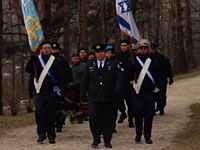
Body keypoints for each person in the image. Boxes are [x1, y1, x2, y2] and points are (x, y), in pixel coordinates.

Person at [25, 40, 71, 144]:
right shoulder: (36, 60)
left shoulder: (55, 61)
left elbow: (61, 77)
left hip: (51, 91)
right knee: (39, 113)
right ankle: (41, 134)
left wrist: (63, 89)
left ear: (51, 50)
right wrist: (31, 61)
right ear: (41, 49)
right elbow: (28, 70)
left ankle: (51, 135)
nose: (46, 49)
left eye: (48, 48)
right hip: (39, 91)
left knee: (51, 114)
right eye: (44, 48)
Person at [80, 43, 121, 148]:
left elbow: (119, 79)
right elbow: (85, 80)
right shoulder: (90, 64)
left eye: (102, 52)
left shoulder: (113, 63)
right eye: (98, 52)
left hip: (109, 97)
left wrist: (116, 91)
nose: (100, 54)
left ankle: (107, 140)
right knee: (93, 118)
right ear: (95, 53)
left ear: (105, 52)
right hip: (94, 97)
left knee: (109, 119)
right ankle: (96, 138)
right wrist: (82, 95)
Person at [126, 39, 160, 144]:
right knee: (138, 113)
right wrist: (131, 69)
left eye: (145, 49)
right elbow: (127, 77)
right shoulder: (132, 61)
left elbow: (157, 76)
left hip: (149, 92)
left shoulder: (152, 61)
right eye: (141, 49)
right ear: (137, 50)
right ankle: (138, 133)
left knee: (149, 115)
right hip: (137, 92)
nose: (143, 51)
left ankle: (147, 135)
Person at [51, 42, 73, 132]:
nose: (54, 51)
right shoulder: (48, 60)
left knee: (61, 105)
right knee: (52, 106)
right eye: (53, 49)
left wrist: (68, 84)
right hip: (51, 85)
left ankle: (60, 123)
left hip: (61, 85)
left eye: (56, 49)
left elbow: (68, 72)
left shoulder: (62, 60)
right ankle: (53, 122)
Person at [115, 40, 135, 128]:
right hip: (120, 82)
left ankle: (131, 120)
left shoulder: (132, 55)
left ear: (128, 46)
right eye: (122, 45)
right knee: (118, 100)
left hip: (129, 83)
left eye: (125, 45)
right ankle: (123, 112)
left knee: (131, 103)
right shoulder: (117, 55)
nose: (123, 47)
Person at [70, 53, 87, 123]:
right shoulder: (70, 66)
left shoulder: (83, 66)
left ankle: (81, 116)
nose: (75, 60)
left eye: (76, 58)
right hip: (72, 86)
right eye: (74, 58)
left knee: (81, 102)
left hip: (81, 86)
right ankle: (73, 116)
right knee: (73, 102)